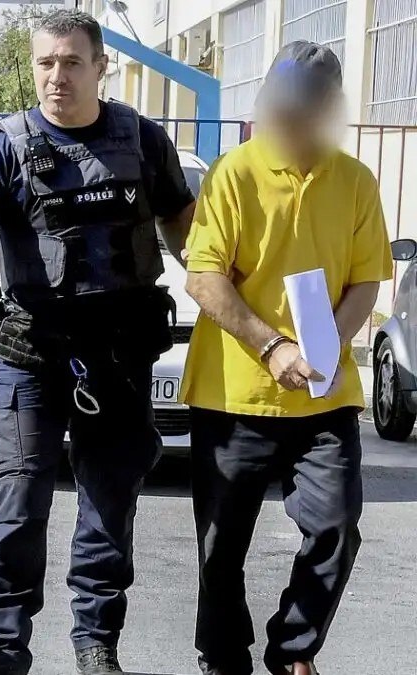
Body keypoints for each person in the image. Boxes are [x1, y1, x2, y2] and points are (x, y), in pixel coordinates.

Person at [0, 9, 197, 675]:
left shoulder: (142, 140)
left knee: (109, 506)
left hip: (119, 355)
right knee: (17, 504)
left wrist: (224, 285)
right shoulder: (4, 147)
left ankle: (96, 645)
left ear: (100, 67)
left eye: (71, 62)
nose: (56, 76)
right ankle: (3, 652)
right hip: (32, 353)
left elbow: (184, 224)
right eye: (45, 63)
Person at [182, 41, 390, 675]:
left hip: (325, 397)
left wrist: (327, 348)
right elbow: (204, 277)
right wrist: (271, 347)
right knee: (220, 547)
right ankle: (223, 659)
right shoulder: (233, 174)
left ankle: (294, 653)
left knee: (336, 528)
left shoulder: (355, 181)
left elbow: (366, 281)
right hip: (232, 394)